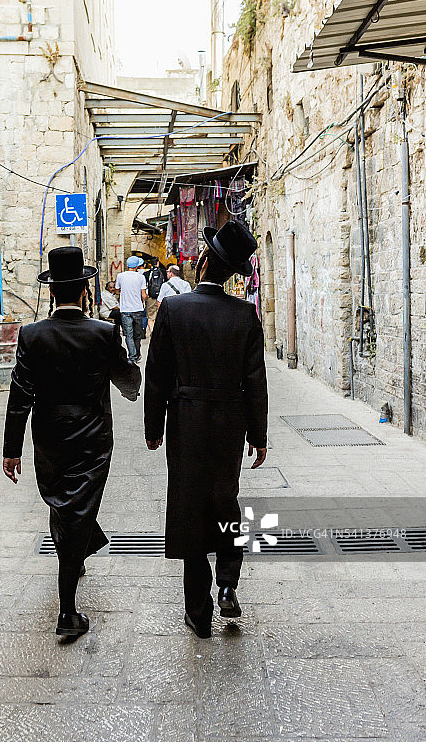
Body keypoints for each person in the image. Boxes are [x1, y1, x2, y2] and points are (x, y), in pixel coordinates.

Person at [3, 247, 141, 639]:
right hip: (92, 437)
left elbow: (19, 396)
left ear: (51, 292)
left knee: (65, 500)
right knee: (76, 504)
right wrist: (131, 371)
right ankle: (67, 612)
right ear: (84, 290)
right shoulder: (102, 333)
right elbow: (128, 381)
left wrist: (11, 450)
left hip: (48, 435)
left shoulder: (32, 335)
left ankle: (76, 549)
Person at [144, 221, 268, 639]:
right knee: (225, 500)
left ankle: (198, 614)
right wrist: (258, 434)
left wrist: (152, 424)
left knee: (190, 506)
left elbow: (156, 372)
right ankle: (228, 582)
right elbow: (255, 380)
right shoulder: (245, 316)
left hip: (186, 419)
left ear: (201, 262)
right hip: (230, 420)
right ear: (231, 272)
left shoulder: (174, 310)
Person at [115, 255, 147, 363]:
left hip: (125, 309)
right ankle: (137, 354)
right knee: (137, 334)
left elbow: (117, 290)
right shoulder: (141, 277)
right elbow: (144, 295)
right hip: (137, 308)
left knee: (128, 334)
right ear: (137, 266)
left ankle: (132, 356)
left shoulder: (120, 276)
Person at [145, 257, 167, 334]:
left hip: (151, 297)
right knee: (160, 316)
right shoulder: (164, 272)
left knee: (150, 317)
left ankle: (152, 331)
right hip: (162, 298)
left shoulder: (147, 273)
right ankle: (159, 333)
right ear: (158, 262)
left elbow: (145, 287)